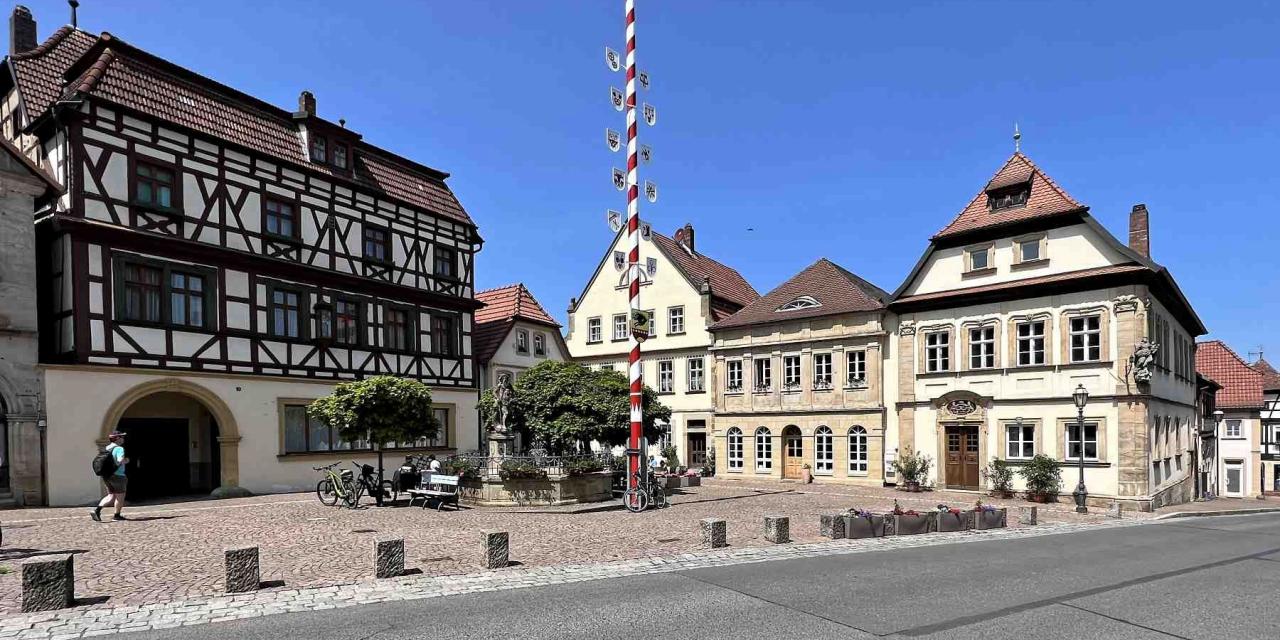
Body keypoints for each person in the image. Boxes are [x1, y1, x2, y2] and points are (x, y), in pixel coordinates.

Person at [92, 431, 129, 522]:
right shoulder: (119, 449)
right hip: (118, 475)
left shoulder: (107, 448)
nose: (123, 438)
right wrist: (126, 460)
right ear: (117, 439)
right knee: (120, 497)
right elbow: (120, 460)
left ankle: (97, 510)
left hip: (107, 475)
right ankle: (117, 515)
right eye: (121, 437)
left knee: (111, 495)